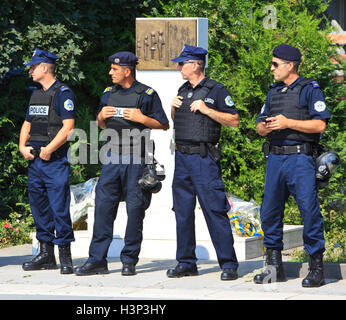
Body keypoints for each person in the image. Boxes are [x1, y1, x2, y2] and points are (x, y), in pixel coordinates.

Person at [75, 51, 169, 276]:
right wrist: (100, 117)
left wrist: (141, 119)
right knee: (103, 210)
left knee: (135, 210)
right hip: (111, 159)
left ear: (127, 71)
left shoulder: (146, 94)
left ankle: (129, 261)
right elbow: (101, 125)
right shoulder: (108, 93)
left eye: (114, 69)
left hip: (137, 159)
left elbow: (163, 124)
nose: (110, 73)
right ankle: (97, 260)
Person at [254, 44, 330, 287]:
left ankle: (317, 269)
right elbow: (258, 127)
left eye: (275, 64)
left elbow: (319, 126)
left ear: (290, 65)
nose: (272, 68)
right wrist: (266, 127)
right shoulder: (273, 92)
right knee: (270, 212)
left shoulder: (309, 90)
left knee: (309, 210)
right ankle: (274, 267)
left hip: (300, 159)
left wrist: (288, 122)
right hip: (275, 158)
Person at [168, 44, 239, 281]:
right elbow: (179, 122)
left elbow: (233, 120)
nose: (179, 67)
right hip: (182, 158)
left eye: (182, 63)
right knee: (182, 211)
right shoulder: (183, 89)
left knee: (214, 210)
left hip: (203, 158)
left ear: (196, 65)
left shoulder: (217, 90)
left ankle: (228, 264)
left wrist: (208, 110)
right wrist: (173, 108)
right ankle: (186, 262)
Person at [19, 48, 75, 274]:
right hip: (36, 161)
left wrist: (50, 149)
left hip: (54, 161)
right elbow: (27, 123)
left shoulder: (63, 92)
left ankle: (65, 256)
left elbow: (68, 127)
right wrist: (22, 146)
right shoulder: (35, 94)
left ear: (44, 67)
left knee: (59, 208)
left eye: (33, 66)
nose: (30, 70)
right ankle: (46, 255)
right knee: (39, 208)